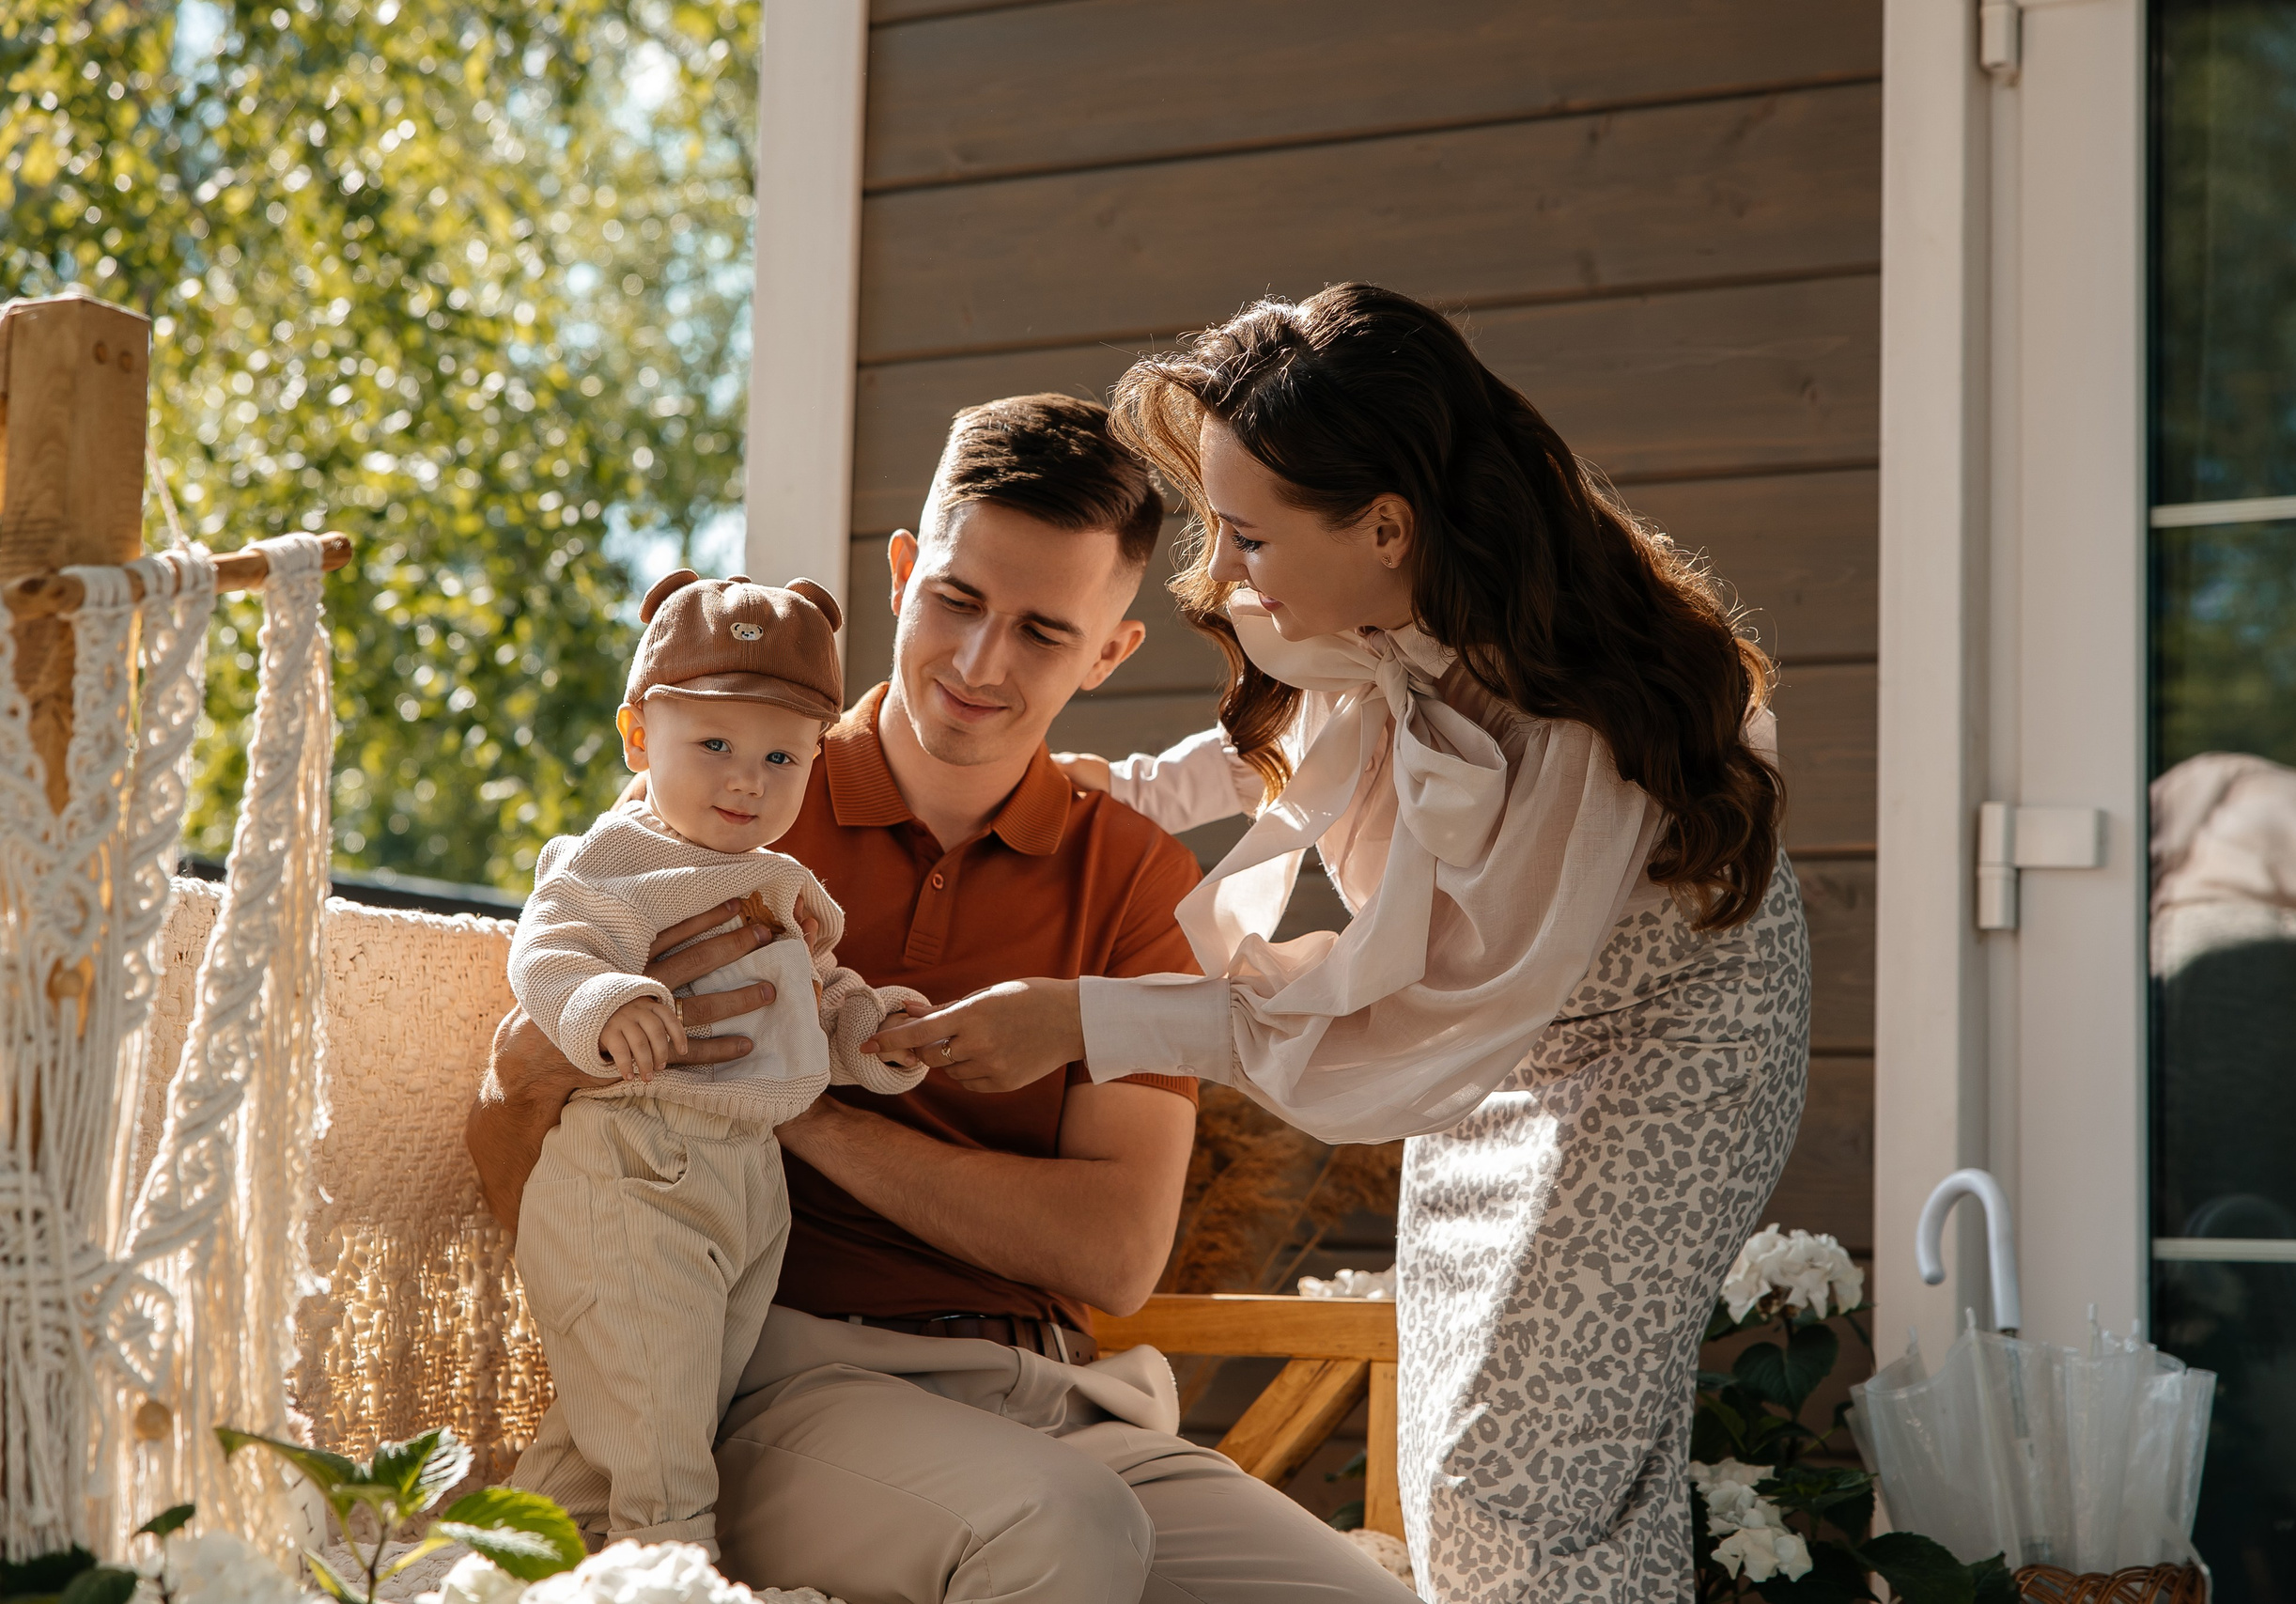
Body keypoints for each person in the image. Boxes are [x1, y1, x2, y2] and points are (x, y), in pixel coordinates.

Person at [872, 287, 1814, 1603]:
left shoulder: (1576, 739)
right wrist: (1130, 789)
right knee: (1457, 1470)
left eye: (1249, 534)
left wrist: (1092, 1015)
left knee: (1515, 1477)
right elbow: (1312, 726)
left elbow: (1422, 1007)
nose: (1229, 571)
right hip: (1496, 1041)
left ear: (1384, 525)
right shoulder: (1379, 599)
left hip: (1652, 1053)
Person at [467, 394, 1420, 1603]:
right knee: (1059, 1534)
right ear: (905, 571)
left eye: (1040, 631)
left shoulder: (1135, 877)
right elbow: (513, 1148)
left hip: (1074, 1403)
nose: (981, 665)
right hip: (785, 1388)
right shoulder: (734, 794)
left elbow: (1112, 1252)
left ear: (1109, 651)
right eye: (958, 602)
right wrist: (558, 1057)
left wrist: (792, 1092)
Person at [504, 571, 927, 1555]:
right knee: (663, 1450)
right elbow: (547, 953)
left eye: (782, 755)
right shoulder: (616, 856)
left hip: (744, 1182)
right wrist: (605, 1000)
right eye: (715, 746)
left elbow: (812, 995)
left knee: (638, 1416)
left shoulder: (781, 881)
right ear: (638, 738)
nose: (748, 778)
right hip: (633, 1168)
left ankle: (500, 1562)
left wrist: (866, 1031)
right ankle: (672, 1572)